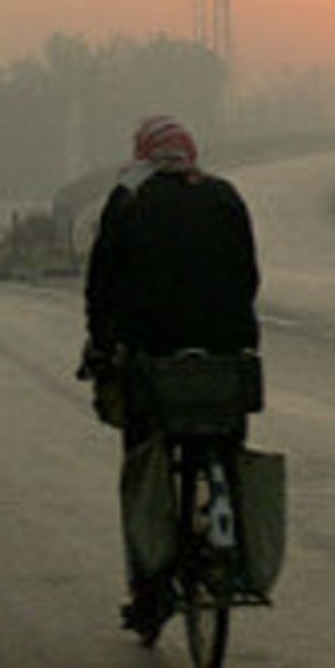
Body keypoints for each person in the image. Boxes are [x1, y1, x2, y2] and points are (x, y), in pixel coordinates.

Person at [82, 114, 260, 636]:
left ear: (143, 155)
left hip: (152, 364)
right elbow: (247, 275)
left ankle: (147, 591)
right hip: (226, 362)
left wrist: (100, 342)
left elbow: (102, 283)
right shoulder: (225, 196)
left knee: (144, 466)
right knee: (226, 444)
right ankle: (232, 544)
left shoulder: (129, 200)